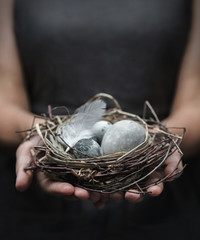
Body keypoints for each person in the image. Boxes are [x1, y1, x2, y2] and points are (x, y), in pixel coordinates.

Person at [0, 0, 200, 239]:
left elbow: (195, 94)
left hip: (165, 211)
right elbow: (4, 91)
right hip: (35, 213)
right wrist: (43, 135)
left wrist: (161, 143)